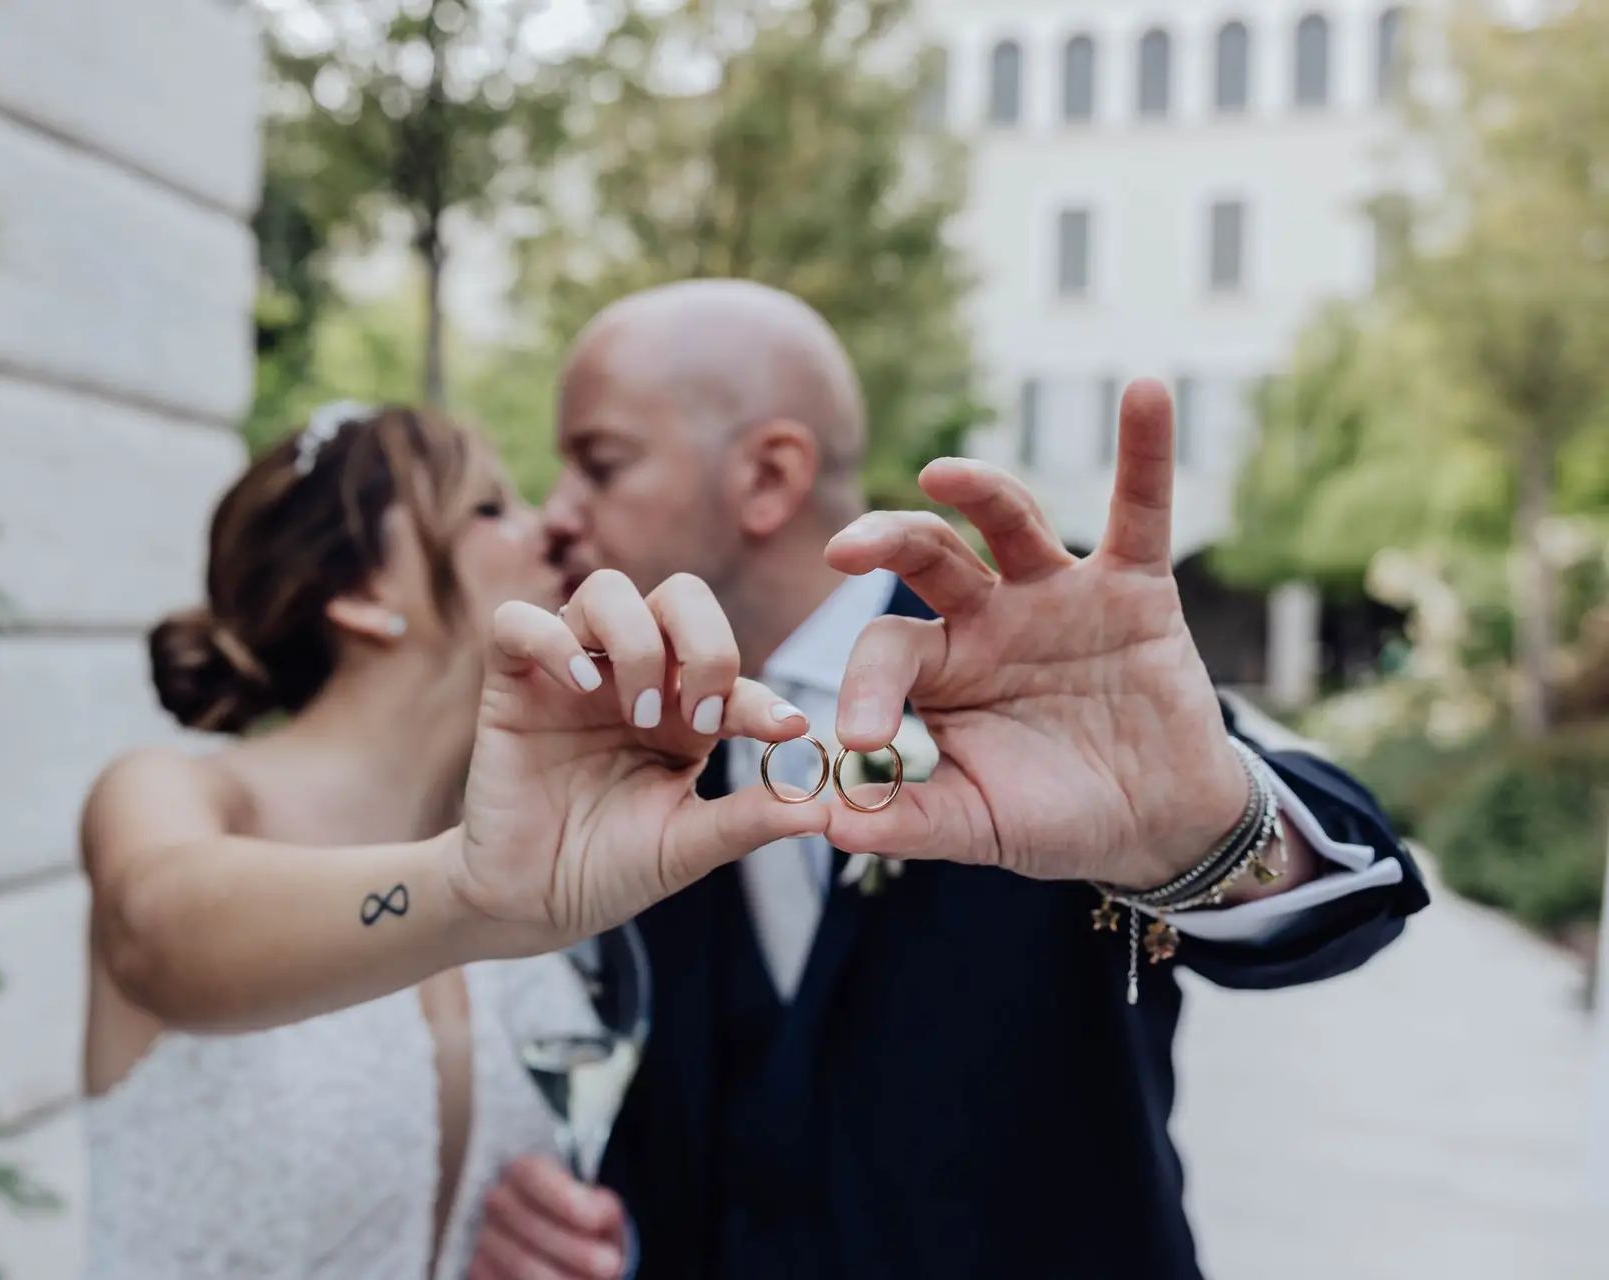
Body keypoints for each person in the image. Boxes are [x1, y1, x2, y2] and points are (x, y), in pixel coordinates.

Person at [468, 280, 1432, 1280]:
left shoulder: (1037, 684)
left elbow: (1356, 898)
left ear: (769, 475)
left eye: (599, 464)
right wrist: (606, 1242)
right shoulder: (627, 734)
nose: (556, 514)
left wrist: (1203, 831)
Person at [78, 403, 831, 1279]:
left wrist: (591, 1245)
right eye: (489, 508)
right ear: (363, 594)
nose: (553, 525)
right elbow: (153, 933)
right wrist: (466, 892)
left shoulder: (538, 830)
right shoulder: (175, 795)